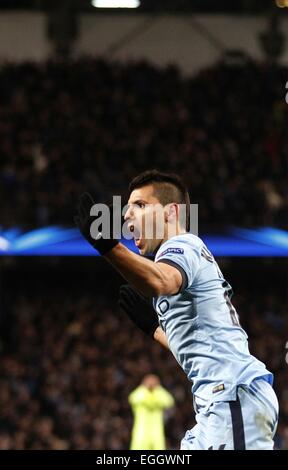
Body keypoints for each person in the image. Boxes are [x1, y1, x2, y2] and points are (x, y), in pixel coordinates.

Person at [75, 169, 279, 450]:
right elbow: (198, 344)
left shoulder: (182, 245)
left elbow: (161, 280)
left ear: (171, 212)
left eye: (140, 205)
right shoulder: (178, 258)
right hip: (218, 405)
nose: (126, 216)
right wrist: (155, 329)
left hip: (233, 396)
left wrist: (107, 246)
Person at [128, 374, 174, 450]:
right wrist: (144, 387)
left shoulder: (157, 395)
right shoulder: (142, 395)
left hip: (155, 433)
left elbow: (169, 401)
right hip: (141, 433)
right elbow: (132, 398)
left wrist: (157, 388)